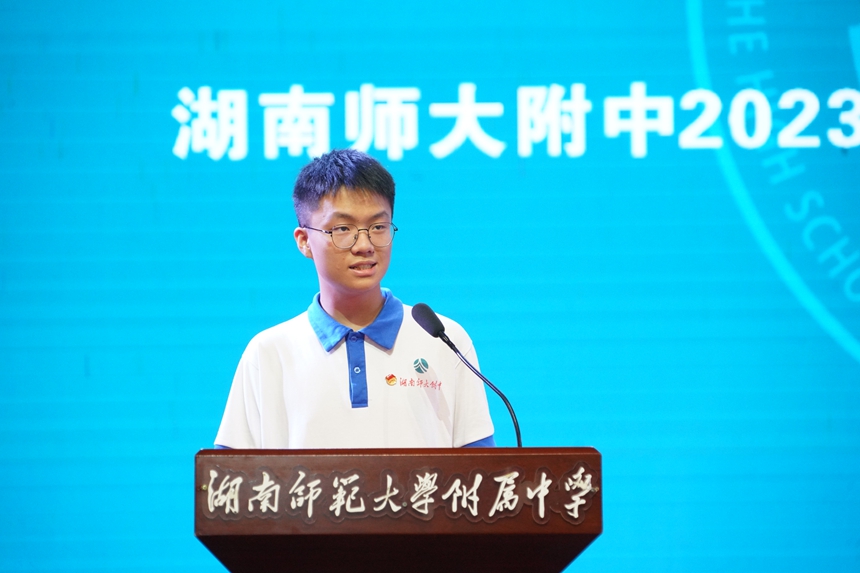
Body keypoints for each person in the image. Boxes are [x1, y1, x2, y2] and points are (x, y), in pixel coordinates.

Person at [214, 149, 495, 449]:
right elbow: (233, 475)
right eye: (343, 229)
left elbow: (481, 470)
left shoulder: (445, 340)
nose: (364, 245)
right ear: (304, 241)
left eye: (378, 227)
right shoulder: (269, 353)